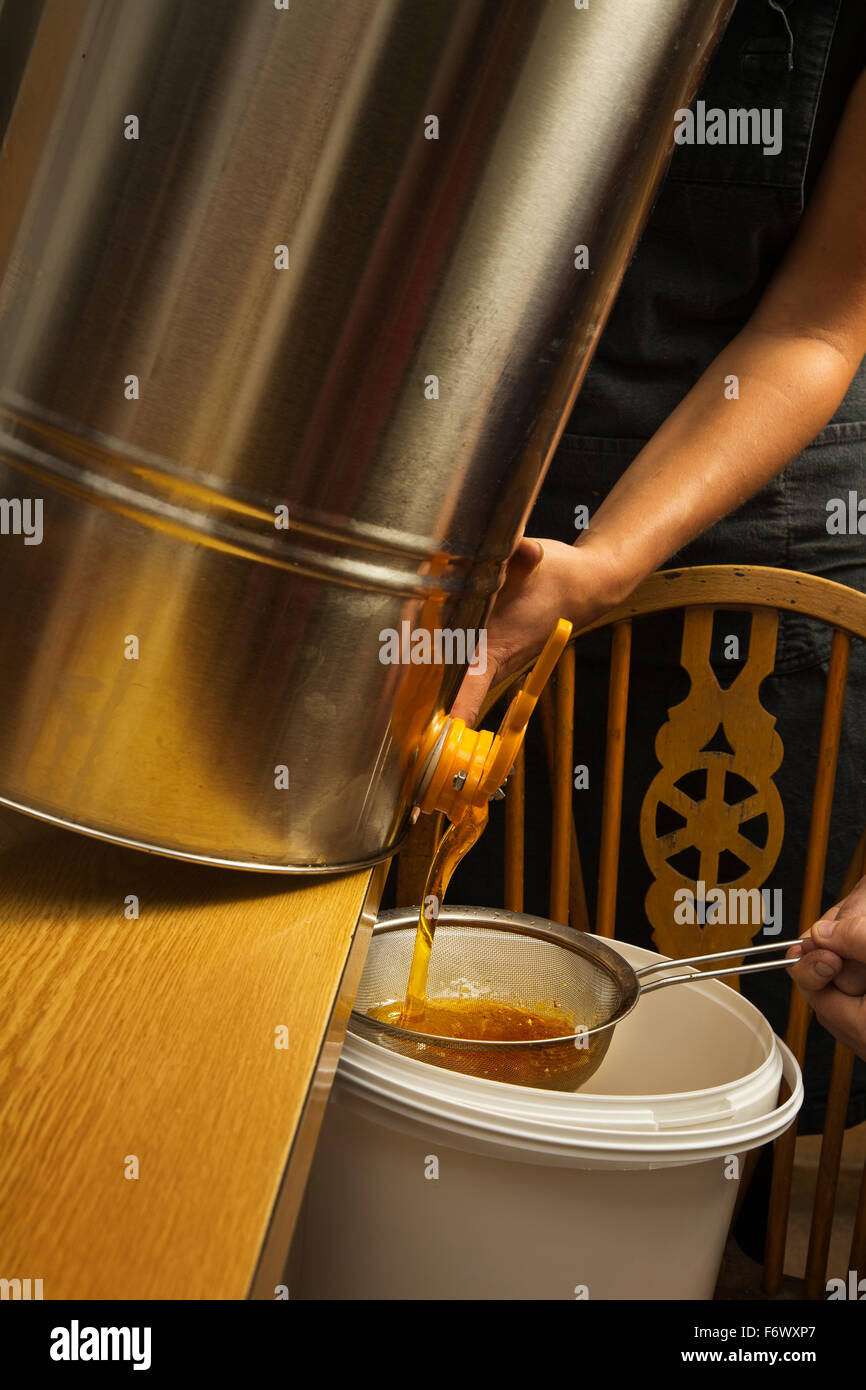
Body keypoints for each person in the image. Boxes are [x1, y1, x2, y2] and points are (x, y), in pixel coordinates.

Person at [440, 0, 866, 1255]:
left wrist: (599, 563)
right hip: (443, 494)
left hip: (750, 547)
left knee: (708, 1104)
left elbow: (812, 323)